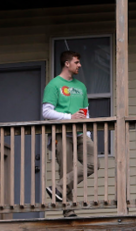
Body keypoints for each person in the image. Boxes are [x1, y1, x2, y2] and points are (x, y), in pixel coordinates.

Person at [42, 51, 97, 218]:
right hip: (62, 133)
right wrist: (69, 117)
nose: (79, 65)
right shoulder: (54, 84)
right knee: (65, 170)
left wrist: (87, 133)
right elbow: (46, 112)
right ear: (67, 64)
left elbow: (86, 113)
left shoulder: (81, 87)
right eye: (77, 62)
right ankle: (69, 210)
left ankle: (58, 188)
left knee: (93, 163)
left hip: (80, 134)